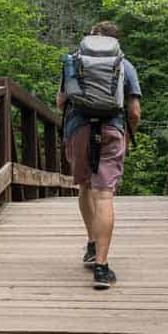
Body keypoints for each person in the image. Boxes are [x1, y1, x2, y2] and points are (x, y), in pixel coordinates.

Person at [56, 21, 141, 289]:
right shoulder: (124, 65)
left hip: (79, 128)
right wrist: (127, 133)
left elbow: (60, 102)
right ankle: (102, 268)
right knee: (104, 194)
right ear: (115, 42)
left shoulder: (74, 61)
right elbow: (135, 111)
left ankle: (92, 243)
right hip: (112, 129)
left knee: (85, 186)